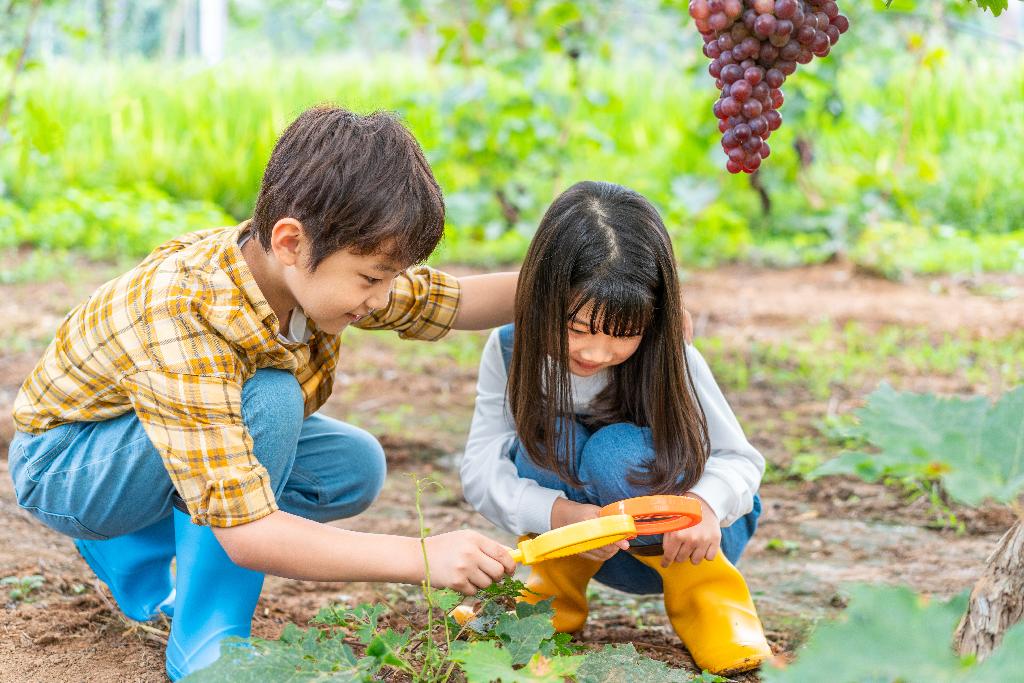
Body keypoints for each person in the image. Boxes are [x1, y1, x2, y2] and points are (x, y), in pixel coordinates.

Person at [8, 106, 518, 681]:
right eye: (374, 278)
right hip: (69, 466)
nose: (383, 297)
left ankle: (138, 548)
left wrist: (567, 286)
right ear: (291, 241)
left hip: (164, 442)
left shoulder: (303, 271)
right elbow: (250, 533)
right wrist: (421, 557)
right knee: (272, 401)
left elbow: (452, 303)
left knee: (351, 466)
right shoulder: (186, 309)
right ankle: (208, 638)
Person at [459, 180, 772, 675]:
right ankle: (548, 596)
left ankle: (711, 603)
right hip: (590, 543)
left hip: (688, 541)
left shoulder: (669, 354)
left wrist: (704, 507)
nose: (595, 353)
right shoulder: (509, 349)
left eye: (622, 335)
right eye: (577, 328)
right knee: (547, 436)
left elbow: (740, 459)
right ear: (541, 298)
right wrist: (558, 513)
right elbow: (479, 467)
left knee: (614, 451)